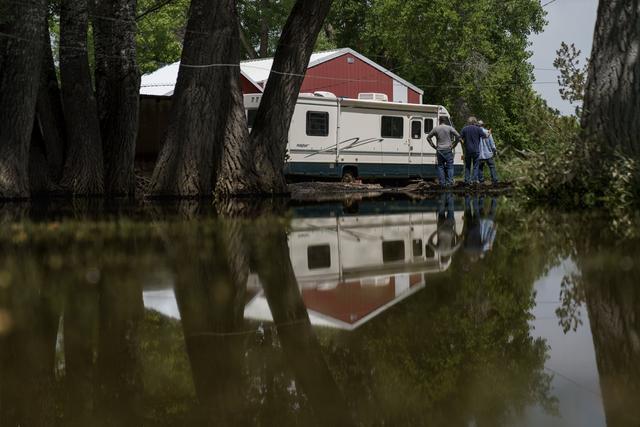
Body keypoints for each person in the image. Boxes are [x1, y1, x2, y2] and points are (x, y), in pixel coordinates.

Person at [426, 117, 461, 186]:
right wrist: (454, 145)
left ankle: (442, 183)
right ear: (445, 121)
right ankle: (450, 182)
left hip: (439, 150)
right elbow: (458, 136)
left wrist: (433, 146)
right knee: (450, 166)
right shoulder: (449, 128)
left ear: (439, 121)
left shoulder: (436, 128)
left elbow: (428, 137)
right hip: (448, 149)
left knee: (440, 166)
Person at [460, 116, 488, 185]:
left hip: (468, 150)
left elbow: (460, 138)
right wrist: (488, 133)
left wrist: (464, 143)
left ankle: (467, 180)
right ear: (475, 122)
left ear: (469, 122)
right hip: (476, 150)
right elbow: (485, 136)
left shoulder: (464, 129)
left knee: (467, 166)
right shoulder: (478, 129)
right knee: (475, 166)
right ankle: (474, 180)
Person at [477, 120, 499, 185]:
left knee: (480, 168)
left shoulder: (476, 133)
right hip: (488, 153)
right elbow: (492, 144)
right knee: (492, 167)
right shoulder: (487, 132)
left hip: (479, 154)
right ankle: (494, 180)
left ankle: (481, 181)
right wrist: (495, 151)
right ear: (483, 125)